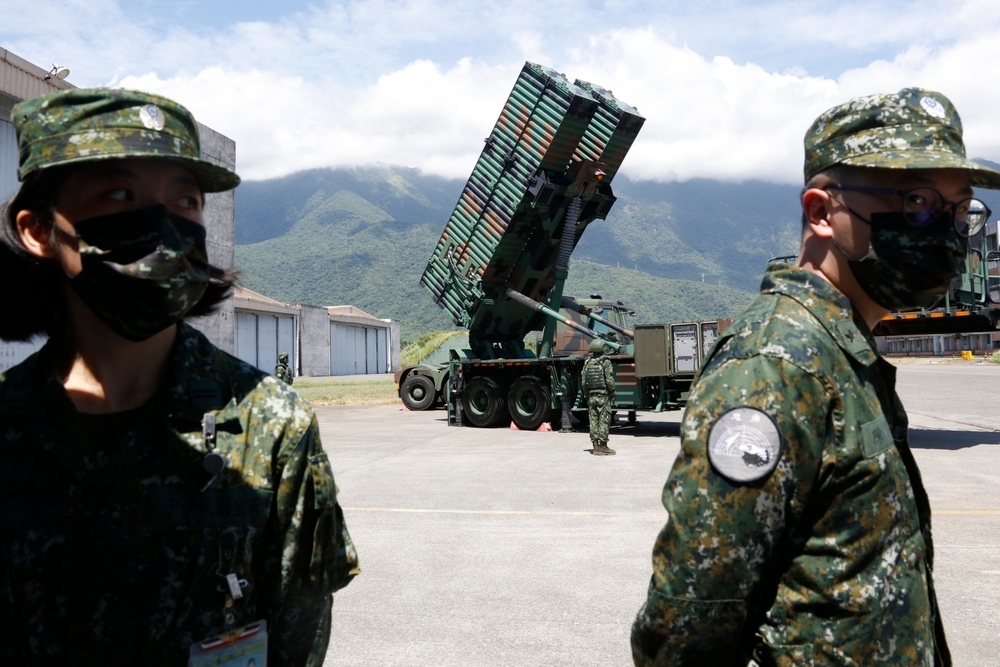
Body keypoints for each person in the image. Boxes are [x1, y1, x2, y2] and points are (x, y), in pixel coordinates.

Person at [631, 88, 1000, 666]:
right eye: (916, 201)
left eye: (960, 210)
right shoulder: (777, 366)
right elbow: (686, 628)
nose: (946, 230)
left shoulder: (842, 350)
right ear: (821, 212)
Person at [0, 88, 359, 665]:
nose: (165, 225)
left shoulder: (270, 424)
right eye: (120, 194)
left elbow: (297, 640)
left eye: (186, 200)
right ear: (39, 230)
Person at [581, 338, 616, 455]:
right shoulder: (605, 361)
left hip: (591, 396)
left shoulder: (587, 362)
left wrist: (586, 394)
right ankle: (603, 446)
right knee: (604, 419)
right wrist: (613, 392)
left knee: (593, 420)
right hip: (603, 395)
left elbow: (583, 381)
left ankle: (595, 445)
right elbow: (609, 380)